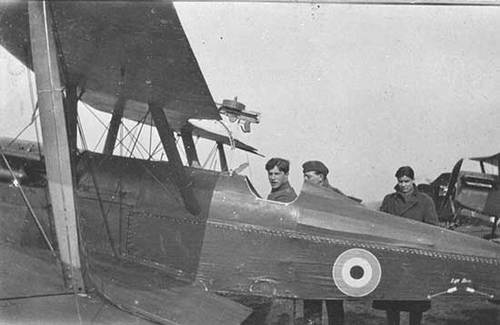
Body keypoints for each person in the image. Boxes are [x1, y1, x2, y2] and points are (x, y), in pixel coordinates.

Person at [373, 166, 438, 325]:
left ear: (413, 180)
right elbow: (382, 224)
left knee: (415, 303)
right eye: (400, 181)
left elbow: (432, 228)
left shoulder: (425, 200)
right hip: (394, 257)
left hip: (416, 258)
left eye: (407, 181)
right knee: (392, 302)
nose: (403, 185)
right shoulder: (389, 200)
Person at [302, 160, 345, 325]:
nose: (305, 181)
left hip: (333, 260)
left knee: (335, 307)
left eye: (308, 177)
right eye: (304, 177)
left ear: (320, 177)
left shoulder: (336, 196)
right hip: (311, 259)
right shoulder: (306, 197)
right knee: (311, 309)